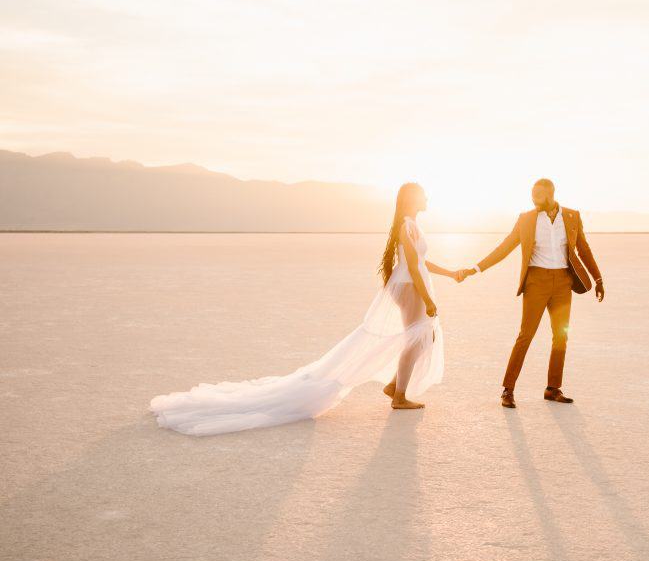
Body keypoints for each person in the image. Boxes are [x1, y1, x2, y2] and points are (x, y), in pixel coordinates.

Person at [150, 182, 461, 435]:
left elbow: (421, 263)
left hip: (411, 285)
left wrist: (451, 273)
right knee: (416, 338)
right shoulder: (408, 226)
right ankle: (398, 396)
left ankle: (396, 385)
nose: (428, 199)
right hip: (410, 288)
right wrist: (429, 299)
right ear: (412, 199)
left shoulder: (411, 227)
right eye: (423, 195)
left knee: (422, 337)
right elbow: (416, 270)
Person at [457, 178, 604, 408]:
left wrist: (598, 278)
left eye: (539, 195)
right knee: (526, 335)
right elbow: (505, 247)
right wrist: (475, 269)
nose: (534, 199)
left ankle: (553, 388)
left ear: (551, 194)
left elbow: (584, 249)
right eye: (532, 194)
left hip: (563, 283)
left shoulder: (572, 216)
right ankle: (508, 389)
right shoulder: (526, 219)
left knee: (561, 336)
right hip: (536, 281)